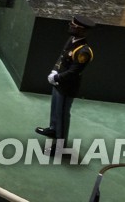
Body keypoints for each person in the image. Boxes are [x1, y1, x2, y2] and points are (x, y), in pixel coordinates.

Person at [36, 15, 96, 148]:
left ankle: (60, 145)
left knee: (62, 114)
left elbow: (74, 72)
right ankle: (53, 129)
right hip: (59, 82)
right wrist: (54, 70)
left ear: (82, 31)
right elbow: (62, 57)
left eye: (74, 26)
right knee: (55, 109)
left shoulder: (83, 51)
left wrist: (57, 77)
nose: (70, 26)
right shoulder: (72, 40)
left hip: (67, 86)